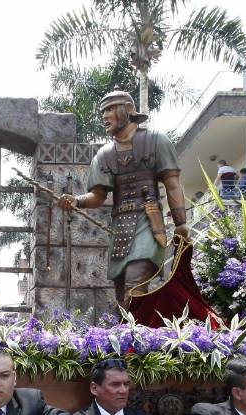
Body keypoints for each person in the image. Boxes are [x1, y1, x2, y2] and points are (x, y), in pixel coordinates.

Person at [57, 88, 215, 324]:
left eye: (110, 109)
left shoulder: (156, 141)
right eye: (103, 111)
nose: (105, 116)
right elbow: (98, 196)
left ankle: (136, 344)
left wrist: (182, 224)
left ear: (128, 110)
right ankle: (133, 345)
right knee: (122, 298)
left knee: (135, 284)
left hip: (148, 224)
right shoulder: (104, 154)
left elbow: (172, 184)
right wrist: (77, 200)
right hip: (121, 228)